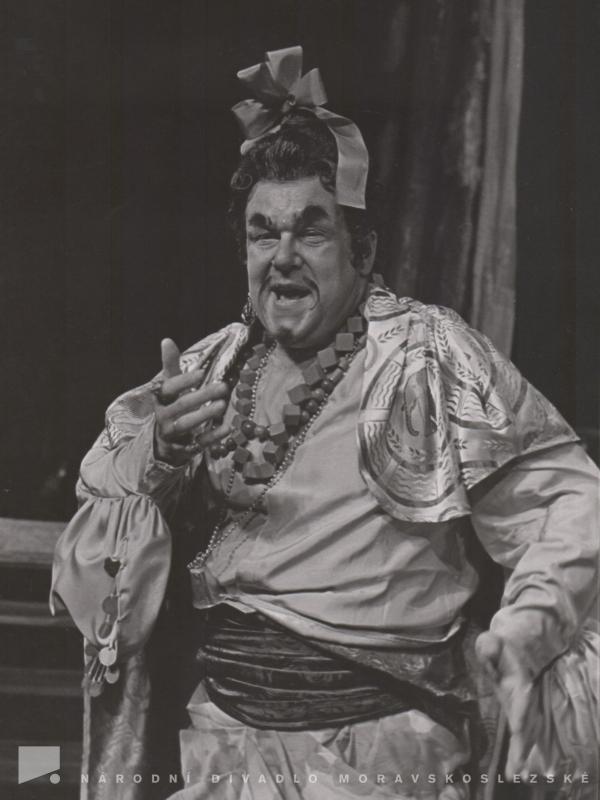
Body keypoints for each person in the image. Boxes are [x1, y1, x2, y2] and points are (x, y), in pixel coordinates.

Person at [51, 47, 599, 800]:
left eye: (311, 231)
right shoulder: (211, 367)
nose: (282, 257)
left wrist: (529, 623)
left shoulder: (429, 355)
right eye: (262, 233)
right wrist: (159, 450)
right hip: (220, 746)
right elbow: (99, 500)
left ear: (361, 250)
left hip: (377, 755)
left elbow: (571, 502)